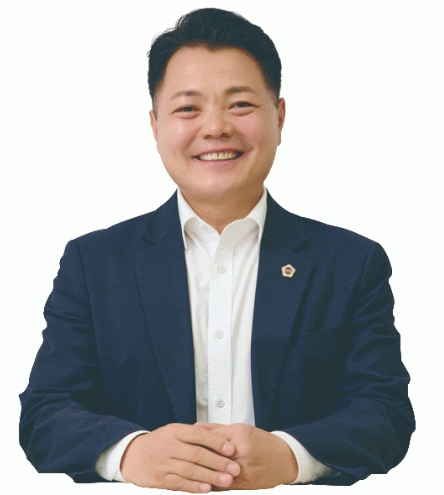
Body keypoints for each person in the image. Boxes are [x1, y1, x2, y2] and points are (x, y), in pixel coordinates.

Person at [19, 7, 415, 491]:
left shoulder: (350, 263)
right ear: (155, 125)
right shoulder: (94, 264)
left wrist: (291, 455)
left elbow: (385, 413)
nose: (215, 127)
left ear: (280, 117)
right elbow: (45, 413)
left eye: (240, 104)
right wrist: (132, 453)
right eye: (188, 109)